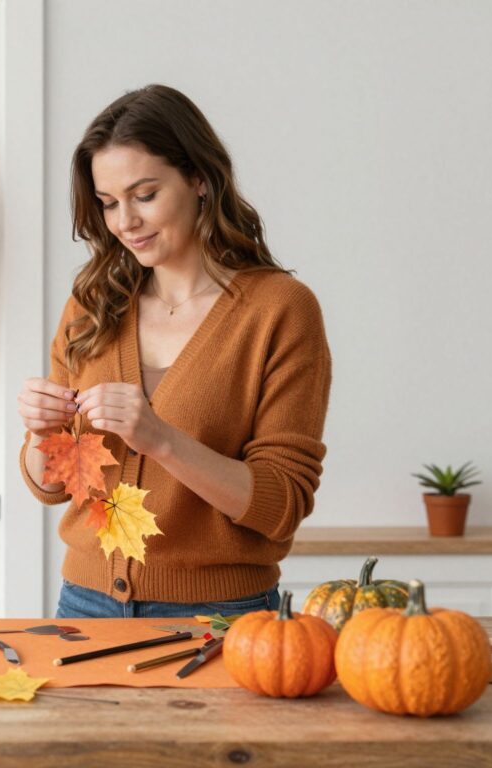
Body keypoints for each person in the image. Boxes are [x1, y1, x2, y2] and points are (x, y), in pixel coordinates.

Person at [18, 85, 331, 619]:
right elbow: (49, 486)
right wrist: (41, 432)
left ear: (200, 180)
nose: (124, 223)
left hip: (222, 615)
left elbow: (281, 505)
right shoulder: (94, 301)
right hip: (85, 604)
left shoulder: (279, 310)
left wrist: (160, 438)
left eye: (144, 195)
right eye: (109, 203)